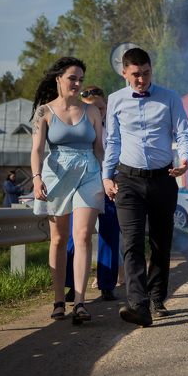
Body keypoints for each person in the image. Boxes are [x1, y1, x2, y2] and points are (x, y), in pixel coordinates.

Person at [103, 47, 188, 327]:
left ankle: (156, 297)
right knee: (131, 243)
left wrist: (185, 160)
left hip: (163, 178)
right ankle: (138, 304)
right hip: (128, 180)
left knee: (160, 242)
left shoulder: (170, 97)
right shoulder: (115, 100)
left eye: (146, 73)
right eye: (135, 75)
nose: (141, 79)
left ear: (151, 70)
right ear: (124, 73)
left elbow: (184, 133)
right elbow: (113, 141)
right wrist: (107, 175)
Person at [29, 57, 104, 324]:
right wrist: (36, 178)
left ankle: (80, 302)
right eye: (72, 78)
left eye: (81, 79)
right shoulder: (44, 112)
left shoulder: (92, 111)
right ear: (59, 79)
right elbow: (37, 150)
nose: (77, 83)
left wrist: (107, 176)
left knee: (82, 235)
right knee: (59, 239)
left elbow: (99, 149)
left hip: (89, 173)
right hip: (56, 176)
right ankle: (59, 299)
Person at [64, 86, 123, 302]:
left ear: (106, 106)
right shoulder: (79, 128)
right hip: (83, 184)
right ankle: (73, 285)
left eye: (101, 107)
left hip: (109, 184)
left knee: (109, 234)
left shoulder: (117, 128)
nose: (98, 111)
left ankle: (107, 285)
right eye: (93, 108)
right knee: (77, 235)